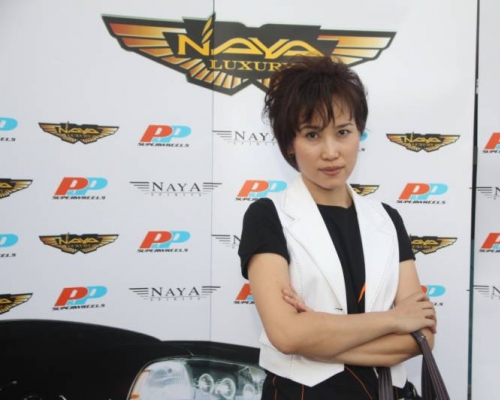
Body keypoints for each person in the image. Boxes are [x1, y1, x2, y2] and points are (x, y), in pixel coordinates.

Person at [238, 56, 436, 400]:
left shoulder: (387, 219)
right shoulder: (268, 216)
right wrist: (393, 319)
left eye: (343, 132)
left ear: (359, 132)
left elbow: (422, 336)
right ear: (289, 143)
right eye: (312, 135)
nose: (331, 152)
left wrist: (315, 335)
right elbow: (286, 334)